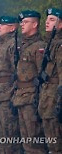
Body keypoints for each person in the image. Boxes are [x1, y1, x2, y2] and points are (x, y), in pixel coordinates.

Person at [12, 10, 48, 153]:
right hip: (20, 98)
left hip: (32, 99)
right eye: (21, 22)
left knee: (35, 141)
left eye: (26, 22)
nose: (22, 24)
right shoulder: (22, 46)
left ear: (35, 24)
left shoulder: (39, 47)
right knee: (26, 142)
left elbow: (43, 76)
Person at [0, 16, 22, 154]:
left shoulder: (13, 44)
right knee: (0, 135)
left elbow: (18, 71)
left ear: (12, 28)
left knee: (10, 135)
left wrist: (13, 94)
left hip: (7, 95)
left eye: (2, 24)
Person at [38, 8, 62, 154]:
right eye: (47, 19)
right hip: (46, 101)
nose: (47, 22)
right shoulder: (50, 43)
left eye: (52, 19)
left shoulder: (59, 45)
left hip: (55, 102)